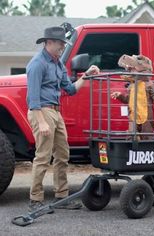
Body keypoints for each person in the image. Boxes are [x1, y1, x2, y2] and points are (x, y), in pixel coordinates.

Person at [26, 26, 100, 213]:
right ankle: (35, 200)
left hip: (56, 113)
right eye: (60, 44)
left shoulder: (57, 63)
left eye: (63, 44)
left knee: (62, 155)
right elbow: (32, 98)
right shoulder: (37, 64)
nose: (62, 47)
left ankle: (62, 196)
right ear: (48, 43)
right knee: (43, 157)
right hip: (41, 111)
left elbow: (71, 89)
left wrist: (87, 76)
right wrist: (41, 121)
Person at [111, 54, 154, 140]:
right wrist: (119, 95)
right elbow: (128, 100)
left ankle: (147, 151)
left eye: (133, 69)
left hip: (146, 116)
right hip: (133, 116)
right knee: (131, 135)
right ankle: (132, 149)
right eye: (130, 70)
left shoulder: (149, 84)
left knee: (147, 136)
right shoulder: (131, 85)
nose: (131, 71)